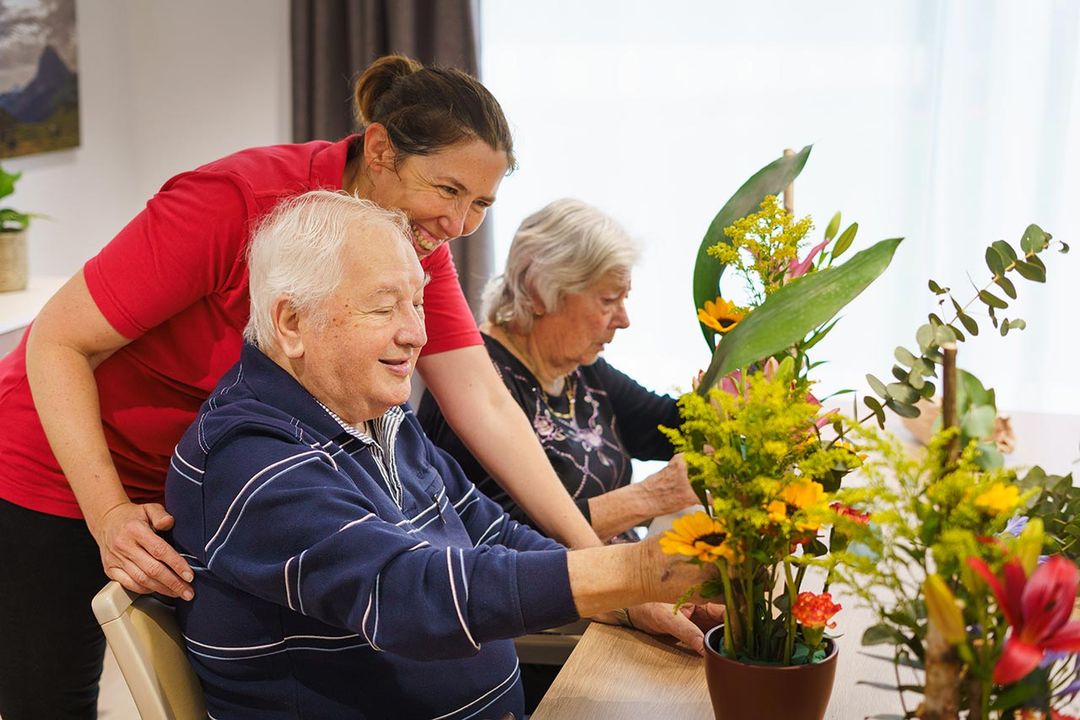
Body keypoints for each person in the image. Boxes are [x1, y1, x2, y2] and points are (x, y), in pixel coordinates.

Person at [0, 55, 600, 720]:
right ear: (379, 149)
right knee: (49, 701)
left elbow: (484, 401)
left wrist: (595, 559)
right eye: (448, 190)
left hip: (192, 476)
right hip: (59, 458)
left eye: (481, 204)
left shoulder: (408, 249)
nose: (458, 225)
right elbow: (56, 340)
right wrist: (107, 511)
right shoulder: (236, 203)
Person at [166, 190, 719, 719]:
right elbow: (411, 595)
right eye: (385, 308)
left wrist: (629, 600)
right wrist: (638, 570)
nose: (415, 334)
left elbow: (491, 531)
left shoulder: (377, 413)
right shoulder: (250, 460)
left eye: (418, 303)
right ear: (292, 323)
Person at [420, 198, 699, 544]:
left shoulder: (584, 372)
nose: (624, 321)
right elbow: (502, 538)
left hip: (619, 581)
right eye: (609, 300)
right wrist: (648, 498)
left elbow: (673, 427)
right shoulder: (471, 383)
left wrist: (737, 375)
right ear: (540, 292)